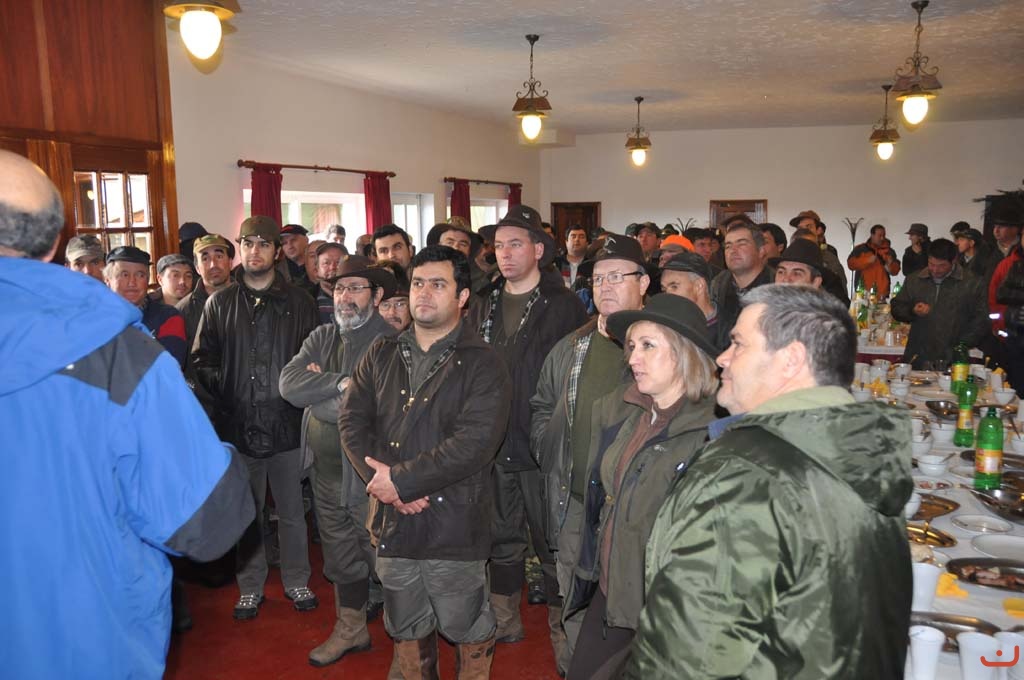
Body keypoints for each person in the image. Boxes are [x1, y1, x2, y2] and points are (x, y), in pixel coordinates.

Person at [0, 149, 254, 679]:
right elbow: (206, 523)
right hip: (84, 640)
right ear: (53, 244)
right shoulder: (115, 351)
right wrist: (220, 456)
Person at [621, 285, 913, 679]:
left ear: (790, 360)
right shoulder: (860, 455)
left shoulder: (745, 475)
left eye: (739, 344)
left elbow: (685, 660)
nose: (722, 357)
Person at [340, 245, 512, 680]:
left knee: (463, 622)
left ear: (463, 296)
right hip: (391, 521)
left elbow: (475, 443)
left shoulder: (484, 362)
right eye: (418, 283)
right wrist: (385, 485)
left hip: (453, 522)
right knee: (404, 622)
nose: (424, 293)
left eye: (438, 284)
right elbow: (352, 423)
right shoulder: (382, 351)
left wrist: (401, 482)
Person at [563, 294, 718, 680]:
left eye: (648, 345)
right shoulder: (624, 411)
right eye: (631, 346)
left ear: (685, 353)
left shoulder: (712, 433)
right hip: (610, 589)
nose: (633, 357)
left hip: (664, 608)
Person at [470, 205, 589, 656]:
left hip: (544, 445)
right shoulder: (483, 301)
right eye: (499, 245)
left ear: (539, 250)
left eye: (515, 244)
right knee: (500, 537)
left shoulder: (564, 305)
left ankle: (563, 631)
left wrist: (558, 435)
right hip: (493, 441)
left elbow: (574, 377)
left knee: (552, 540)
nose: (504, 253)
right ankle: (505, 619)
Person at [531, 235, 650, 674]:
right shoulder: (571, 348)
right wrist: (551, 453)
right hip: (575, 505)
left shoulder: (661, 350)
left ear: (644, 282)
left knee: (632, 617)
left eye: (617, 276)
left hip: (634, 513)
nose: (606, 286)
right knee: (574, 607)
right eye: (598, 279)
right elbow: (542, 406)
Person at [192, 215, 320, 620]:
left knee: (292, 513)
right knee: (247, 514)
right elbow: (201, 360)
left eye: (264, 244)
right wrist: (230, 391)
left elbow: (314, 360)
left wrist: (296, 393)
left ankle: (297, 579)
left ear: (277, 252)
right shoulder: (219, 303)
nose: (255, 251)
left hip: (288, 424)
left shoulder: (300, 302)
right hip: (238, 424)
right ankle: (250, 586)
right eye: (248, 244)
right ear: (240, 249)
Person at [279, 256, 397, 667]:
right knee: (340, 555)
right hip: (324, 474)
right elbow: (289, 385)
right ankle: (351, 629)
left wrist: (321, 395)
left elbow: (371, 409)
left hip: (370, 479)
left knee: (384, 559)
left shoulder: (391, 343)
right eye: (340, 288)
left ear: (376, 296)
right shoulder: (322, 336)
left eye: (356, 288)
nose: (345, 296)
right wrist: (341, 382)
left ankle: (409, 642)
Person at [891, 238, 989, 369]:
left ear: (953, 261)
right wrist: (912, 310)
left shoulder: (972, 283)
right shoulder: (915, 279)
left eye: (942, 265)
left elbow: (981, 319)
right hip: (918, 355)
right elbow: (897, 307)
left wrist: (962, 345)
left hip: (954, 357)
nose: (935, 270)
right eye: (931, 264)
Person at [105, 246, 187, 369]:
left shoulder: (168, 317)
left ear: (148, 281)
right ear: (108, 281)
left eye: (140, 275)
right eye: (124, 274)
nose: (132, 282)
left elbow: (167, 369)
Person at [708, 222, 773, 342]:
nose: (733, 250)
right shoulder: (717, 284)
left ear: (761, 251)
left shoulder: (776, 285)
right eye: (728, 246)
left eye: (741, 244)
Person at [660, 250, 726, 353]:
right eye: (664, 290)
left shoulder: (732, 330)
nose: (667, 296)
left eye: (674, 287)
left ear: (699, 286)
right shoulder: (664, 326)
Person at [848, 224, 901, 299]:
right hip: (863, 293)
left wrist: (890, 265)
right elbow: (850, 264)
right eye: (879, 235)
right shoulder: (860, 249)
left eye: (884, 235)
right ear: (872, 235)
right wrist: (867, 260)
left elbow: (895, 272)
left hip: (882, 294)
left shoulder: (889, 251)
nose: (882, 238)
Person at [279, 223, 318, 297]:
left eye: (293, 240)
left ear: (306, 239)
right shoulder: (277, 273)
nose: (290, 246)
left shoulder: (321, 264)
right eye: (284, 243)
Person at [314, 241, 346, 324]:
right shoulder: (308, 298)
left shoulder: (358, 293)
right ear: (316, 270)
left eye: (338, 262)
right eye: (326, 263)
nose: (332, 267)